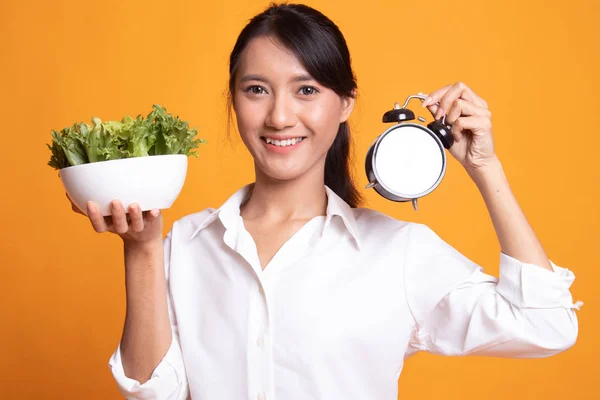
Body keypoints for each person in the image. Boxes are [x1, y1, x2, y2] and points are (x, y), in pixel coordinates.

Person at [68, 3, 582, 399]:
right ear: (234, 100)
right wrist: (140, 249)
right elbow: (153, 392)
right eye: (256, 89)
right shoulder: (186, 244)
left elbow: (546, 323)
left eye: (306, 90)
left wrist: (484, 167)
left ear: (345, 104)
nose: (279, 117)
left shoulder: (395, 253)